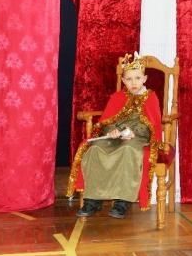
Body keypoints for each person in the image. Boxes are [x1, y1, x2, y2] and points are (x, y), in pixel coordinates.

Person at [67, 53, 163, 219]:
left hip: (137, 138)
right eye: (129, 79)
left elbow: (152, 126)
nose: (133, 83)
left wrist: (133, 132)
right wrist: (112, 131)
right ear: (124, 80)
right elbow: (106, 121)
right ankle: (93, 199)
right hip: (115, 138)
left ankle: (122, 201)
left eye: (137, 78)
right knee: (95, 149)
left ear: (144, 79)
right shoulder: (118, 97)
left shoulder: (151, 97)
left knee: (128, 150)